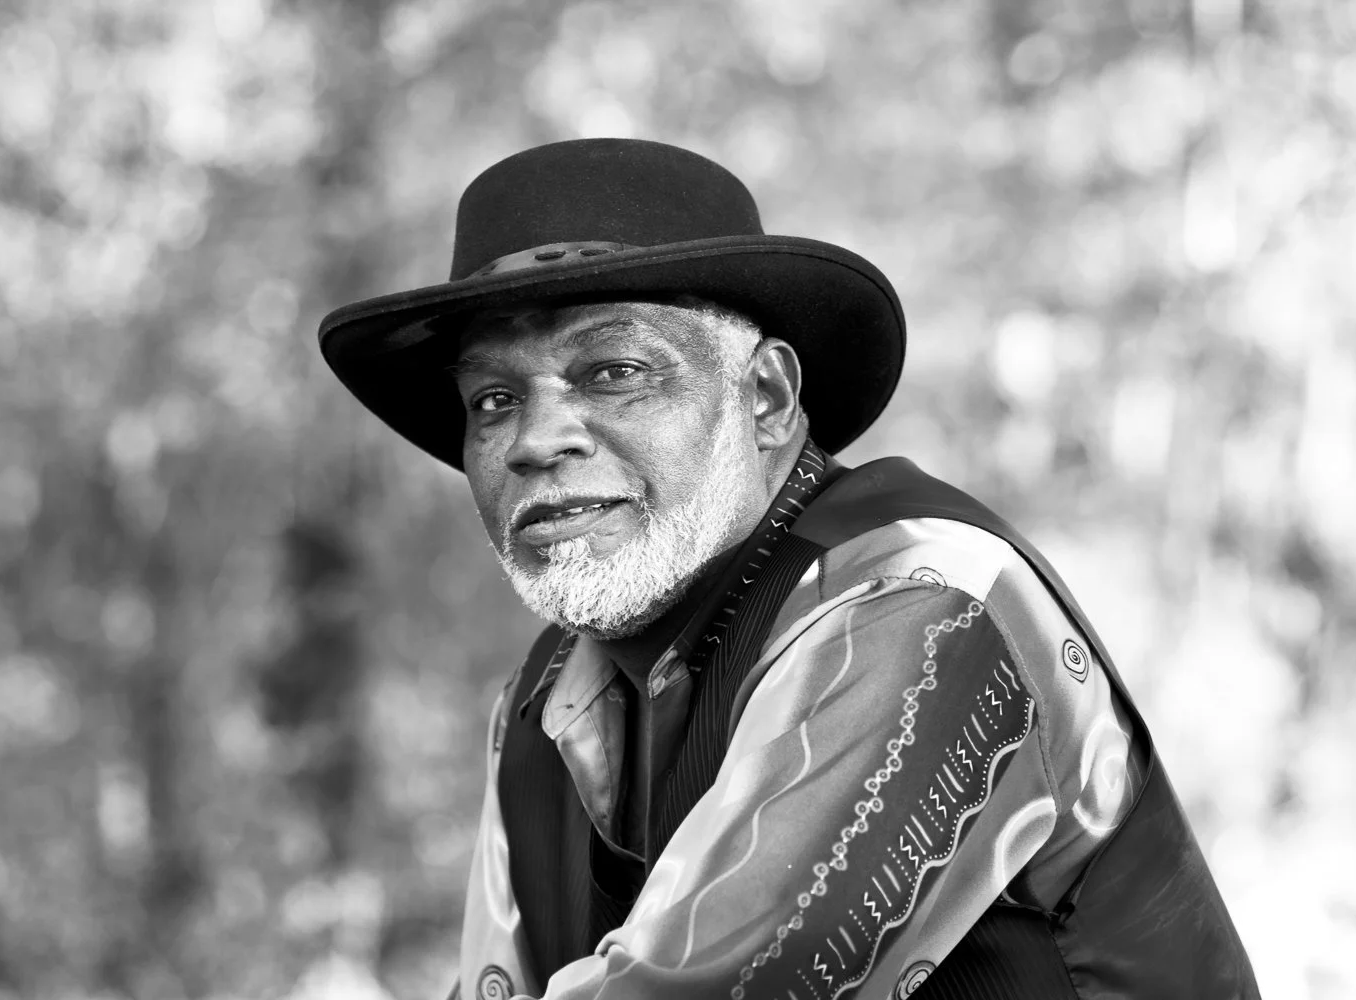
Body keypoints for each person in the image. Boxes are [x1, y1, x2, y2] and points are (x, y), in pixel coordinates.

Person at [318, 139, 1260, 1000]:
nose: (536, 439)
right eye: (493, 398)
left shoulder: (925, 601)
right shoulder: (541, 699)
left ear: (766, 397)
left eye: (613, 372)